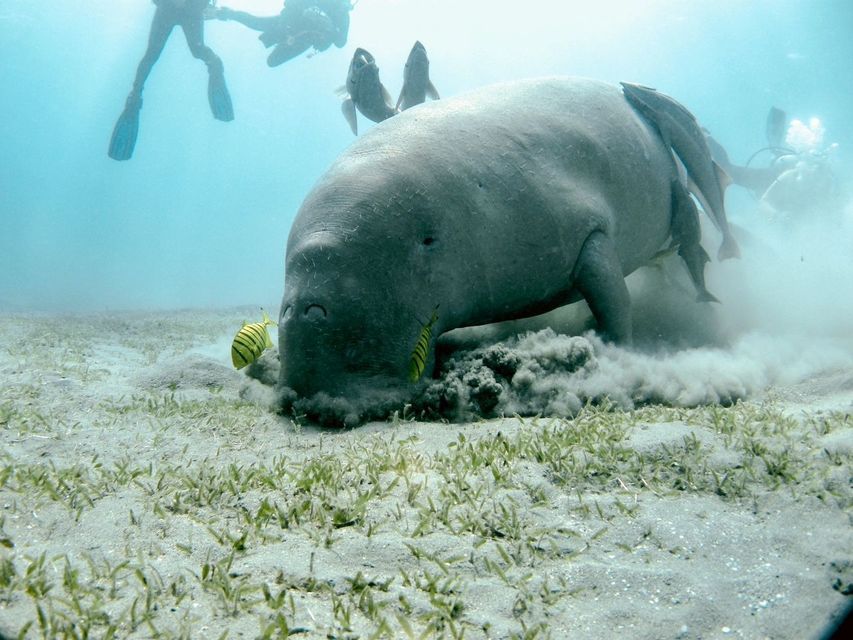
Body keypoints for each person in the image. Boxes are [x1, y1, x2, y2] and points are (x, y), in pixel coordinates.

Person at [108, 0, 234, 161]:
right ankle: (214, 63)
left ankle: (136, 93)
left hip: (179, 9)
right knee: (173, 52)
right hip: (183, 9)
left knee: (156, 54)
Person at [212, 0, 352, 67]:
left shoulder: (342, 14)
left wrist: (330, 28)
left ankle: (225, 13)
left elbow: (341, 43)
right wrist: (299, 15)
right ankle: (224, 13)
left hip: (303, 40)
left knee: (272, 62)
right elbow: (290, 4)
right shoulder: (337, 10)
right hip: (288, 24)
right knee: (255, 23)